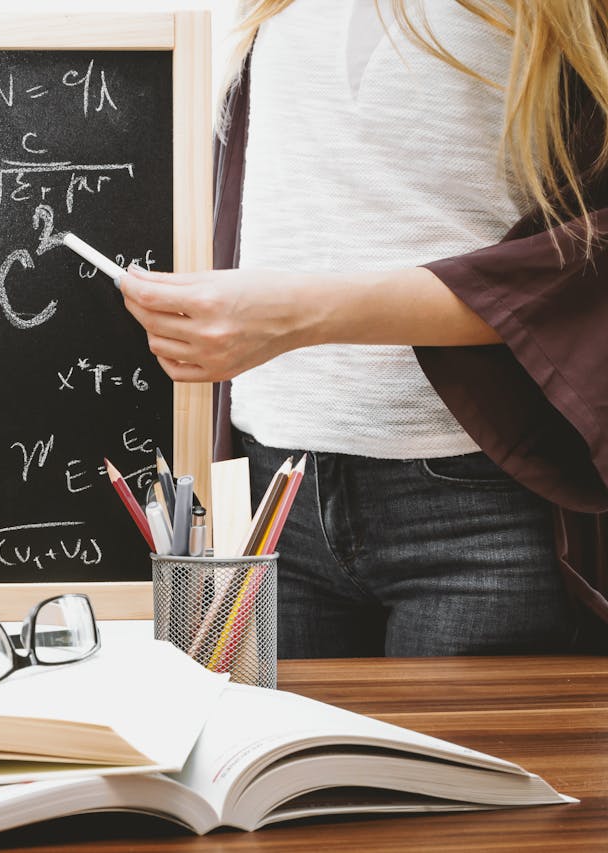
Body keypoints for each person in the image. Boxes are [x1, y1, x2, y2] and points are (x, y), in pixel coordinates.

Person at [119, 0, 608, 657]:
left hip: (479, 502)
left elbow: (587, 262)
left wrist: (302, 314)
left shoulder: (561, 14)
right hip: (267, 491)